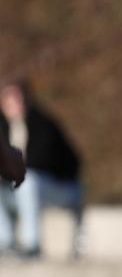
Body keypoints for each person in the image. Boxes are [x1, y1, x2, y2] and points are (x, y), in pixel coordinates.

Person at [0, 79, 84, 259]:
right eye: (9, 101)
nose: (15, 106)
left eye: (18, 99)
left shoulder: (43, 124)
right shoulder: (2, 128)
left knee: (28, 180)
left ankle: (32, 244)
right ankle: (5, 243)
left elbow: (53, 161)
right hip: (18, 191)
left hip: (58, 187)